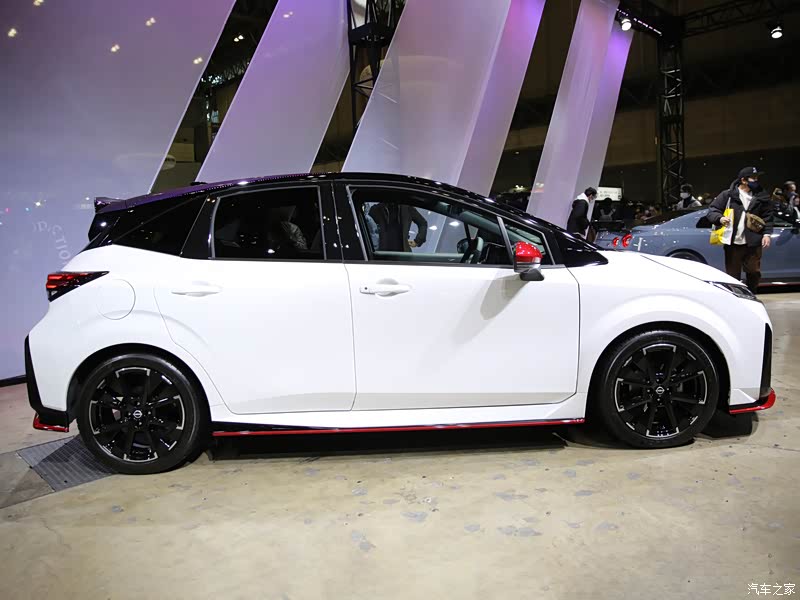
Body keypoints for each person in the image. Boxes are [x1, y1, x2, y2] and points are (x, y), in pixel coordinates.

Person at [707, 166, 773, 294]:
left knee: (754, 272)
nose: (756, 180)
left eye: (757, 178)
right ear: (743, 180)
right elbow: (713, 210)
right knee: (732, 275)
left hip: (753, 241)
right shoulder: (728, 195)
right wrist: (720, 218)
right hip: (733, 242)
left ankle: (751, 294)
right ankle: (735, 297)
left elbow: (768, 217)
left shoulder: (762, 196)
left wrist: (767, 234)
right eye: (753, 178)